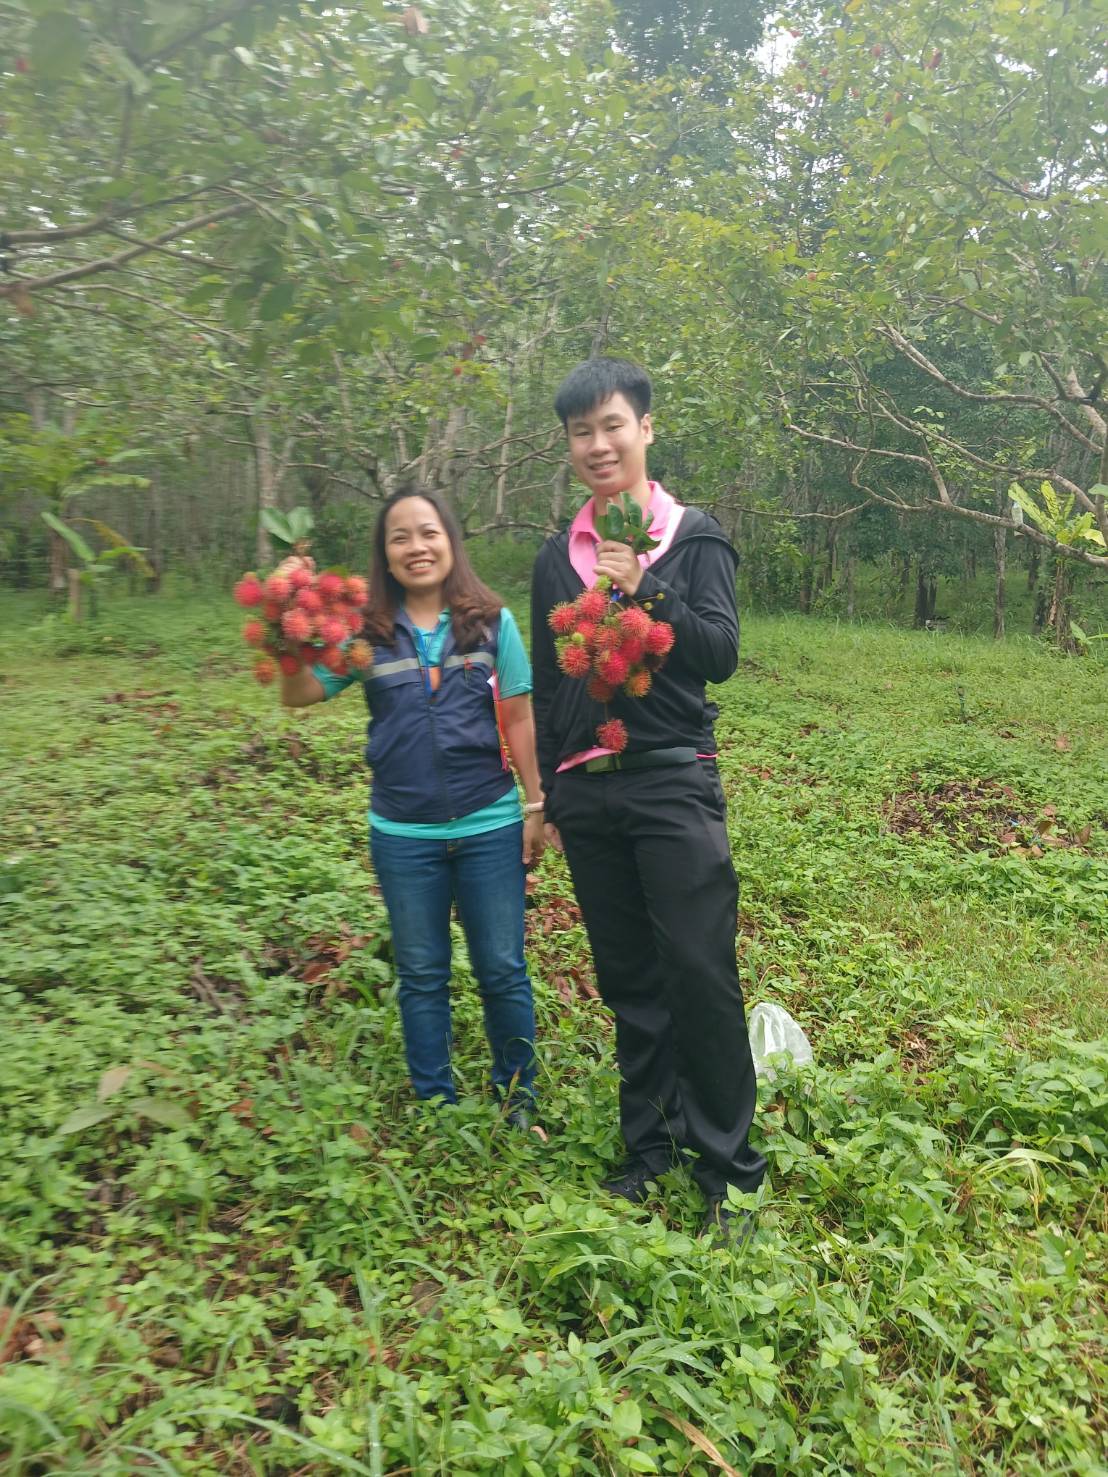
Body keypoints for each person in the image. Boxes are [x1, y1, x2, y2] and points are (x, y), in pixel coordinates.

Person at [530, 356, 766, 1239]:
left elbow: (719, 651)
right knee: (629, 979)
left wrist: (643, 584)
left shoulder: (692, 537)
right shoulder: (559, 557)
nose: (598, 444)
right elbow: (557, 682)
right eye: (581, 433)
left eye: (612, 425)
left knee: (701, 973)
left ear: (646, 428)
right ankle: (652, 1147)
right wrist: (551, 792)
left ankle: (731, 1172)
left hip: (672, 778)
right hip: (589, 791)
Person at [279, 485, 546, 1129]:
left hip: (489, 823)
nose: (416, 547)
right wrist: (285, 637)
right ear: (385, 554)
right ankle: (435, 1105)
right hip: (403, 834)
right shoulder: (364, 636)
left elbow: (516, 716)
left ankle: (518, 1099)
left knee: (503, 970)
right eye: (400, 537)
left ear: (450, 540)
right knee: (423, 974)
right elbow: (299, 695)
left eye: (428, 532)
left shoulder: (492, 623)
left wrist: (535, 804)